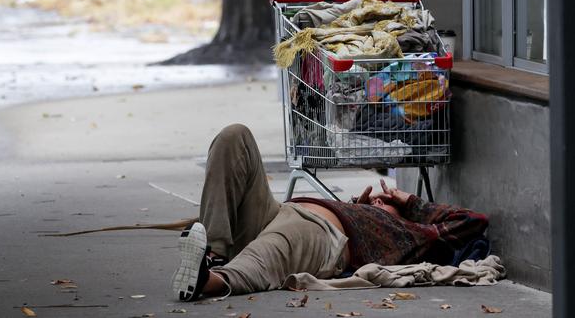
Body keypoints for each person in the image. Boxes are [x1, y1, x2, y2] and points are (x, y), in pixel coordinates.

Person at [171, 124, 489, 301]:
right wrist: (359, 207)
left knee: (275, 250)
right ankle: (213, 253)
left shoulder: (411, 235)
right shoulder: (363, 210)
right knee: (234, 137)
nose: (380, 198)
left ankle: (211, 281)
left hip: (317, 235)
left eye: (386, 199)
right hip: (276, 212)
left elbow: (473, 221)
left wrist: (408, 202)